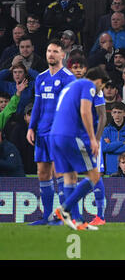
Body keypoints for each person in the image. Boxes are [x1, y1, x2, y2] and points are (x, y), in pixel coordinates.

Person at [26, 39, 77, 226]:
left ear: (63, 55)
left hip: (59, 133)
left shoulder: (68, 78)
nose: (51, 54)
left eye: (55, 51)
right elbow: (38, 106)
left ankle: (63, 216)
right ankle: (47, 216)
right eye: (48, 51)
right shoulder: (40, 78)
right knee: (42, 172)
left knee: (60, 173)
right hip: (42, 132)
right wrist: (31, 127)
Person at [52, 67, 109, 230]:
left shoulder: (70, 86)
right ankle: (64, 209)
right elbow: (85, 112)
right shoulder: (88, 85)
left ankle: (78, 221)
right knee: (94, 175)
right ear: (98, 81)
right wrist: (93, 138)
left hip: (55, 135)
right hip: (71, 135)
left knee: (70, 177)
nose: (101, 90)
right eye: (103, 86)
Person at [102, 101, 125, 175]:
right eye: (114, 112)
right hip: (110, 169)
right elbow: (104, 148)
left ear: (124, 114)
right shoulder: (106, 130)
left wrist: (111, 146)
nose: (117, 115)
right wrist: (121, 143)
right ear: (111, 114)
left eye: (119, 112)